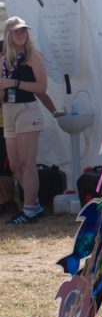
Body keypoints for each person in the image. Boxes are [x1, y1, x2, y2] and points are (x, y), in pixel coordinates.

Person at [0, 17, 48, 225]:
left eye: (24, 31)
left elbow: (41, 88)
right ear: (8, 34)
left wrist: (15, 83)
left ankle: (29, 208)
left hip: (28, 110)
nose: (21, 34)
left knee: (28, 163)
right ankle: (34, 204)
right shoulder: (4, 58)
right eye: (17, 31)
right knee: (15, 165)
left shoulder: (32, 55)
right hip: (8, 110)